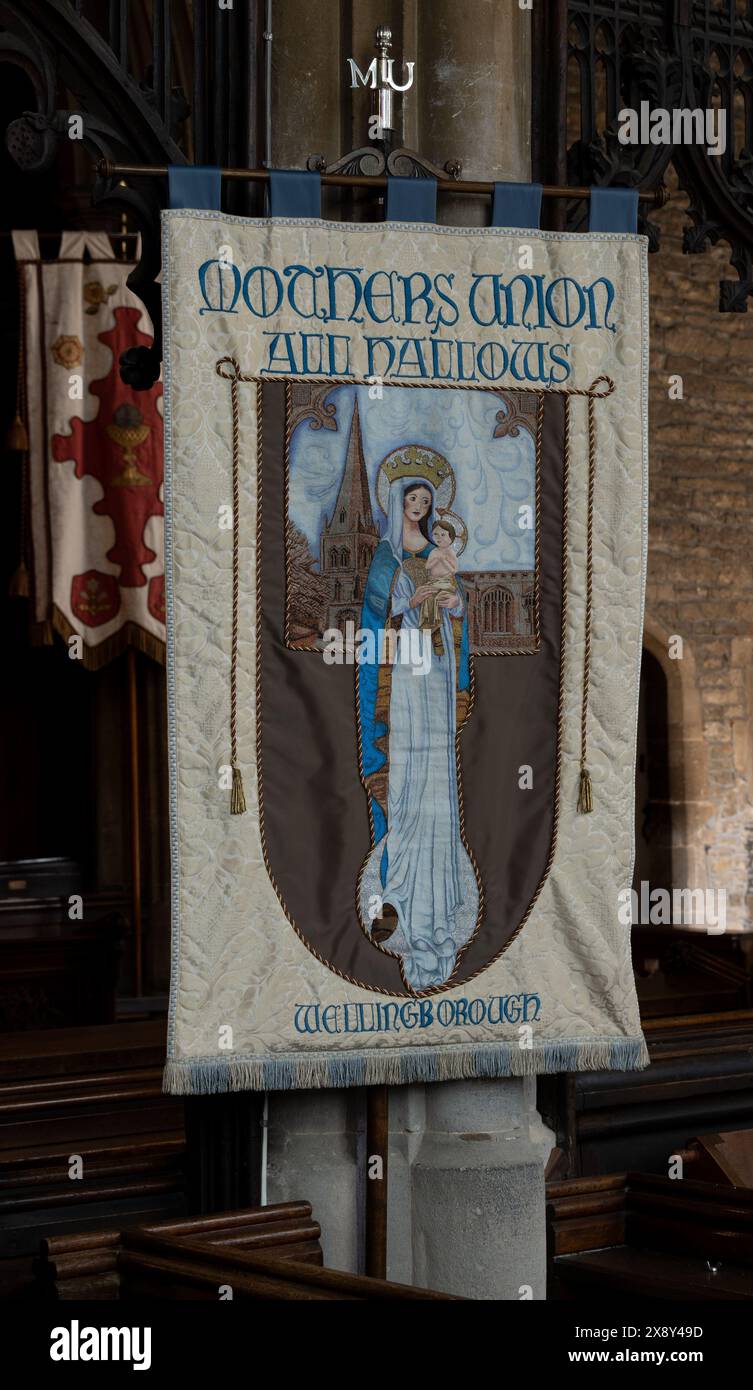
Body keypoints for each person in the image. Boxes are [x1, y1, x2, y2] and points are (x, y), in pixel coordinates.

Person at [357, 464, 480, 992]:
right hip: (406, 664)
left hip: (439, 663)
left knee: (438, 770)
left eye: (427, 501)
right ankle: (402, 890)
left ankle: (440, 900)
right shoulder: (387, 557)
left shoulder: (439, 551)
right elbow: (374, 615)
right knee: (408, 762)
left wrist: (455, 605)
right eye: (413, 499)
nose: (419, 507)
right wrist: (407, 601)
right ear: (398, 501)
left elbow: (459, 608)